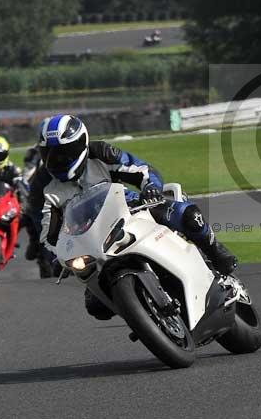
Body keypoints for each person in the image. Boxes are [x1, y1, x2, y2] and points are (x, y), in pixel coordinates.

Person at [29, 114, 238, 321]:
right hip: (88, 239)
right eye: (50, 154)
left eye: (65, 152)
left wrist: (151, 189)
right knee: (96, 307)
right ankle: (145, 316)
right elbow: (46, 233)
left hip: (130, 209)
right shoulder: (41, 186)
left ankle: (216, 252)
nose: (57, 160)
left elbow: (142, 170)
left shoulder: (100, 153)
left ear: (81, 144)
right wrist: (57, 255)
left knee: (189, 216)